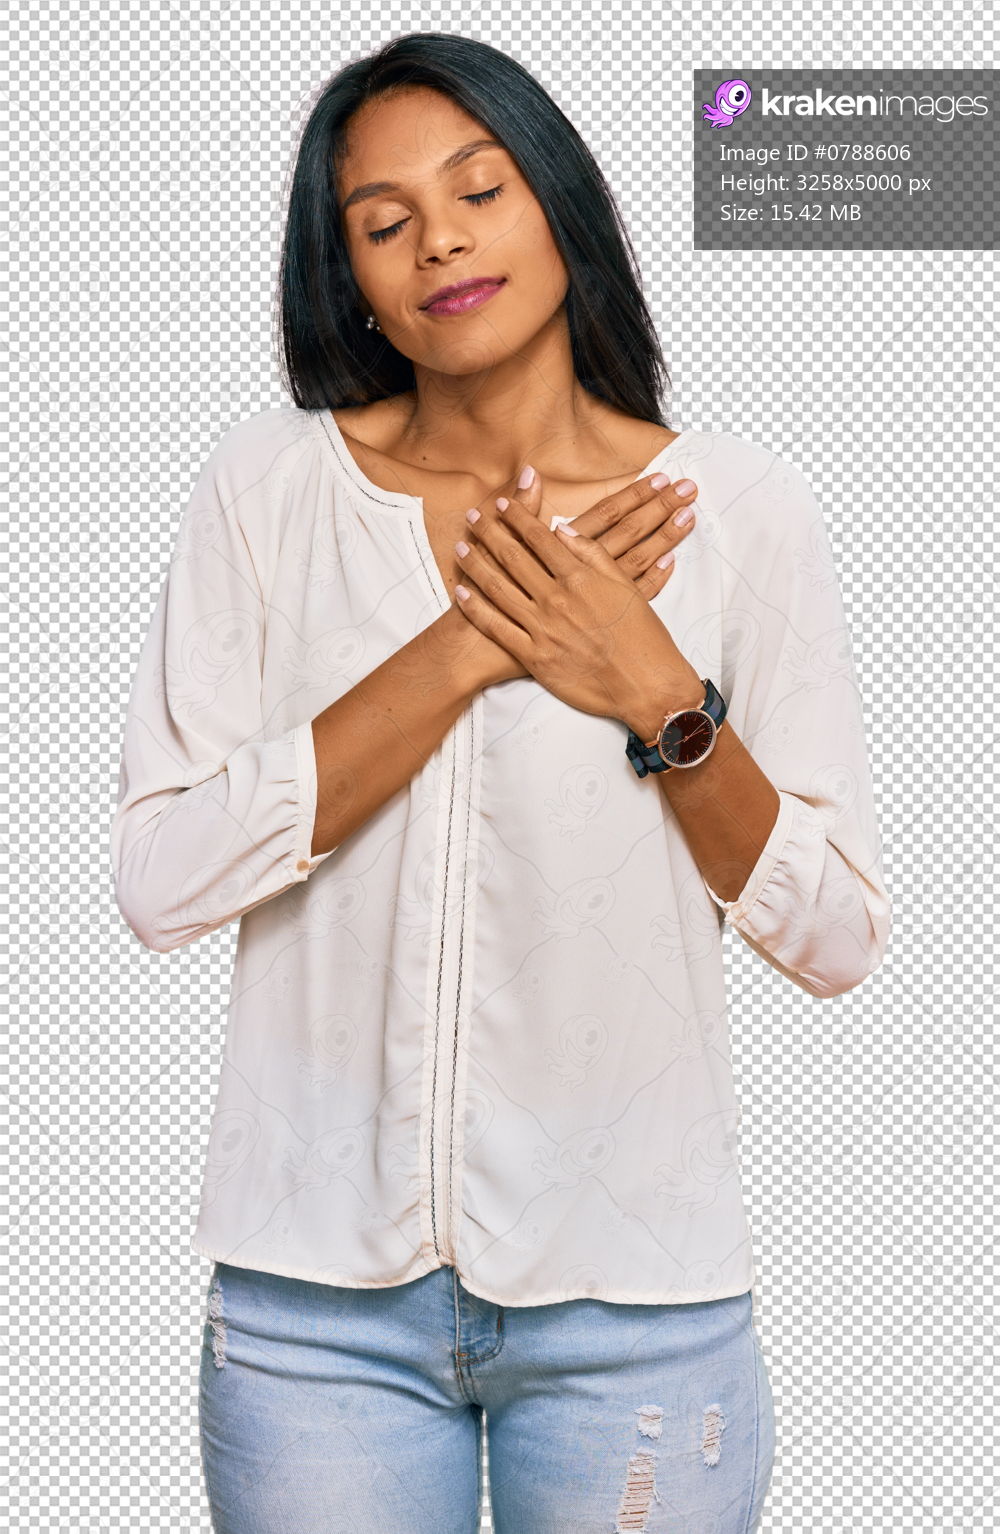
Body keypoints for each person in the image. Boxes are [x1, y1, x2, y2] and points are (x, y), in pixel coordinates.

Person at [110, 32, 889, 1534]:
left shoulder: (737, 509)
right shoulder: (267, 489)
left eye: (481, 190)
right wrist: (472, 642)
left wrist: (657, 693)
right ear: (349, 275)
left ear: (561, 208)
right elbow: (161, 882)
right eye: (384, 220)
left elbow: (838, 936)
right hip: (313, 1315)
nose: (441, 241)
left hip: (640, 1306)